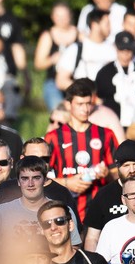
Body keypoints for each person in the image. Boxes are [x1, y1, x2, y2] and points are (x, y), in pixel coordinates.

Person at [46, 79, 116, 225]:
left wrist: (107, 174)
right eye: (80, 104)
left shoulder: (106, 134)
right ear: (68, 104)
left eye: (88, 103)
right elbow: (39, 178)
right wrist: (66, 182)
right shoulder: (53, 138)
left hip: (98, 213)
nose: (85, 109)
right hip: (64, 213)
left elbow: (119, 176)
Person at [0, 156, 83, 246]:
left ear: (45, 180)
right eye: (25, 178)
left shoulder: (64, 212)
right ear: (18, 182)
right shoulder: (0, 212)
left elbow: (74, 250)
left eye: (36, 178)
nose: (30, 184)